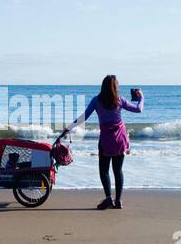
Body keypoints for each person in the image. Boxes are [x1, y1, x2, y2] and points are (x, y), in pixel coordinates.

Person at [61, 75, 143, 209]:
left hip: (106, 140)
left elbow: (83, 117)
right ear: (115, 87)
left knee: (104, 170)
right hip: (120, 139)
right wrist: (141, 97)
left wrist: (68, 128)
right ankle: (118, 201)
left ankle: (108, 198)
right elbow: (138, 109)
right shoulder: (120, 100)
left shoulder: (96, 100)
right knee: (118, 170)